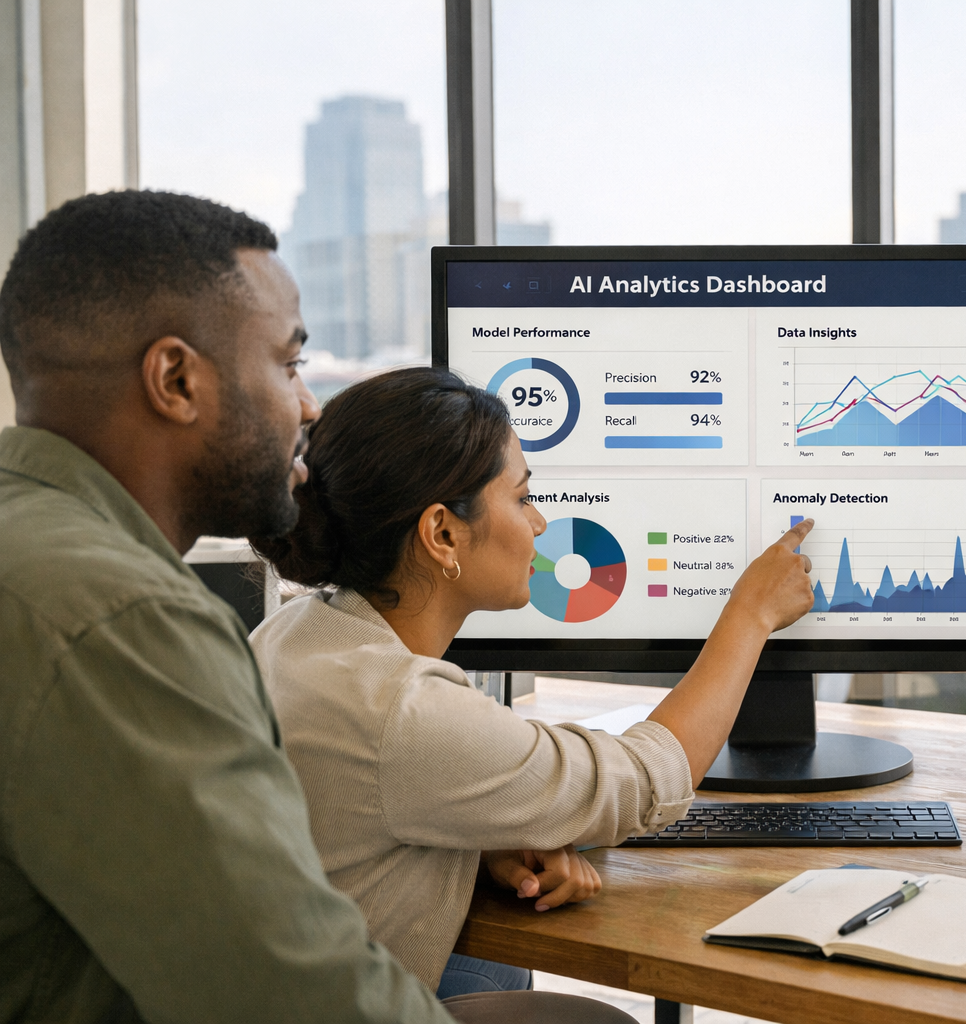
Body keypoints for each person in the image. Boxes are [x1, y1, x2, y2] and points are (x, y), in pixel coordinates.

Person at [0, 190, 634, 1024]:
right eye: (290, 364)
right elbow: (289, 993)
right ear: (176, 379)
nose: (306, 408)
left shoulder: (31, 538)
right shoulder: (126, 619)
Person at [245, 365, 817, 996]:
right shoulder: (405, 711)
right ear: (443, 532)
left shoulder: (294, 631)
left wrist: (480, 837)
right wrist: (750, 616)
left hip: (265, 987)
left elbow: (364, 804)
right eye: (520, 498)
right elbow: (644, 778)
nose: (540, 523)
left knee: (495, 971)